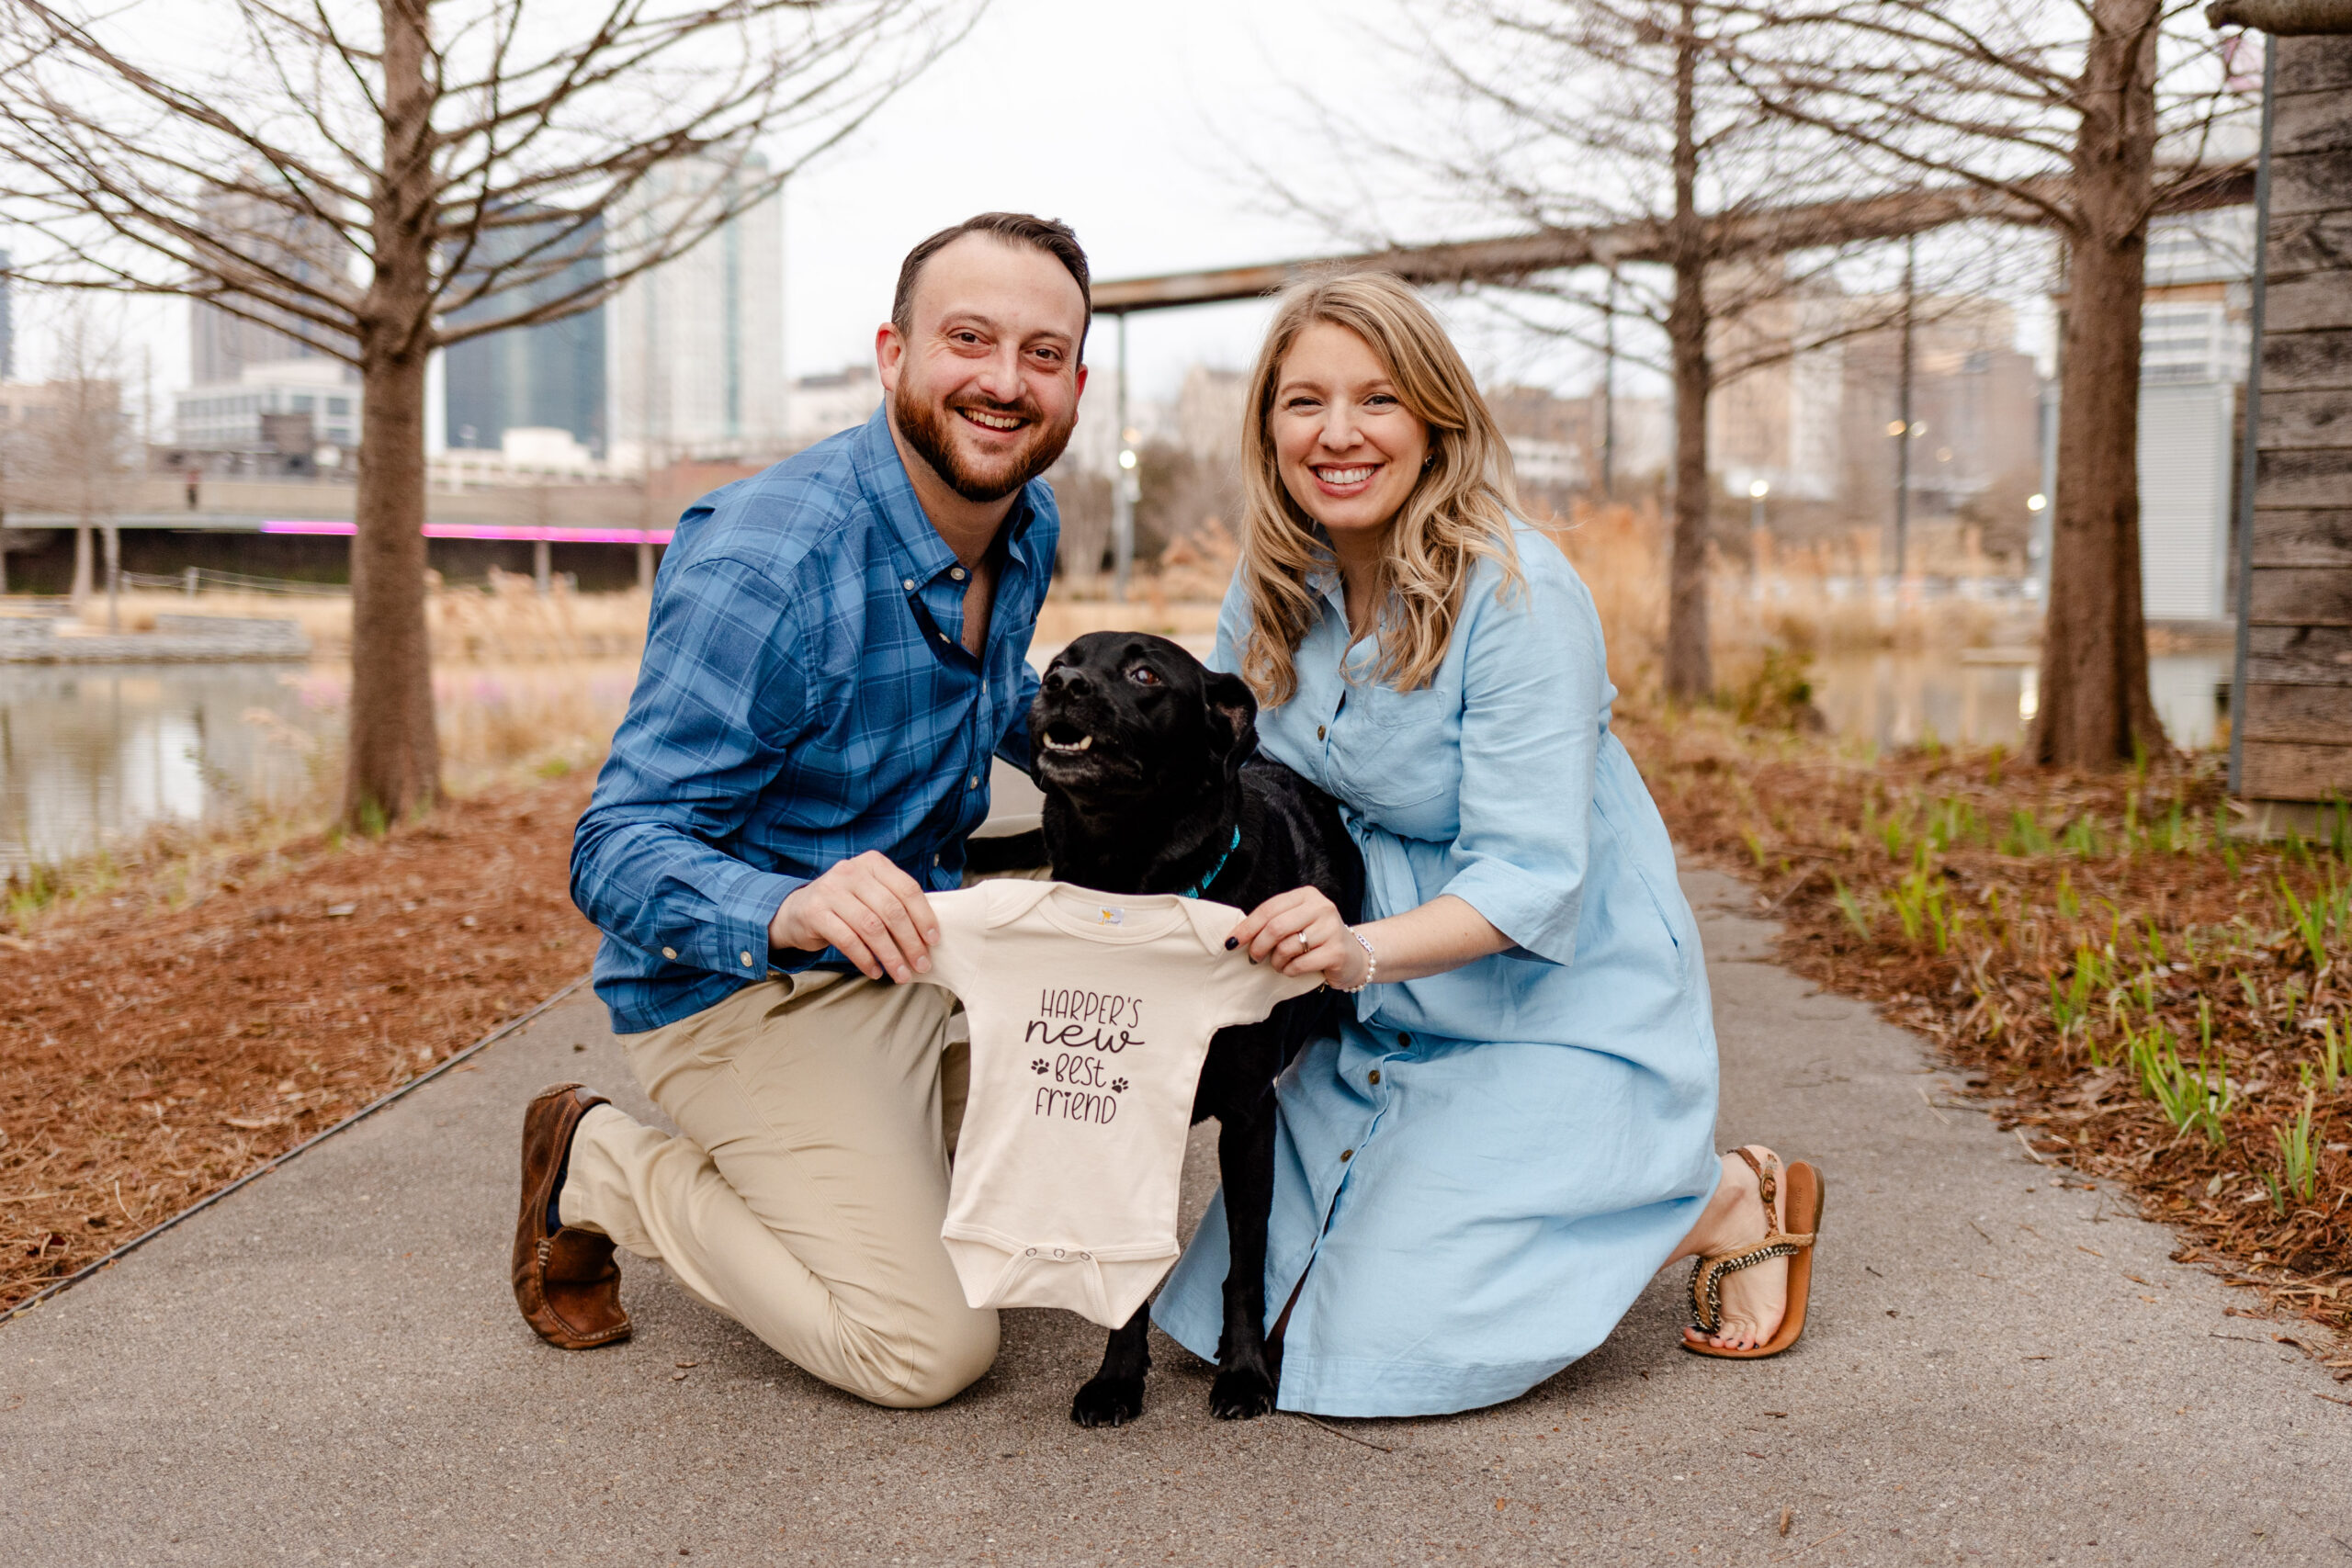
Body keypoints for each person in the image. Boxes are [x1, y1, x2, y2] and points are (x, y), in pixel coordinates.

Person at [1148, 272, 1824, 1417]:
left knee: (1391, 1348)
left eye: (1376, 399)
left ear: (1434, 420)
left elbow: (1529, 876)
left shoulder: (1516, 591)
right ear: (1269, 426)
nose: (1339, 434)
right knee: (1238, 1329)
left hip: (1536, 987)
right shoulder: (1271, 586)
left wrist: (1354, 949)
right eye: (1303, 402)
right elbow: (1242, 781)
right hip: (1356, 987)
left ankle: (1717, 1197)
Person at [515, 212, 1091, 1409]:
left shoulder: (1020, 522)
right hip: (738, 986)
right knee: (928, 1349)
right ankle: (600, 1164)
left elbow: (983, 696)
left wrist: (1114, 742)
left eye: (1042, 354)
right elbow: (612, 847)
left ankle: (876, 1154)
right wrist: (788, 902)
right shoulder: (772, 563)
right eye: (969, 338)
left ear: (1076, 383)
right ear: (894, 353)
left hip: (910, 952)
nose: (1002, 380)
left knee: (1112, 1060)